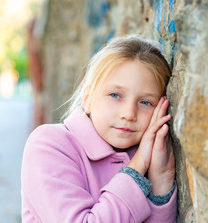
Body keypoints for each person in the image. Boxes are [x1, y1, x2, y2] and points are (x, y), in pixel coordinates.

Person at [21, 35, 177, 222]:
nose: (129, 114)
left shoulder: (151, 154)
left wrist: (161, 179)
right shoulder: (49, 144)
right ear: (87, 98)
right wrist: (136, 168)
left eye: (145, 102)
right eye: (115, 95)